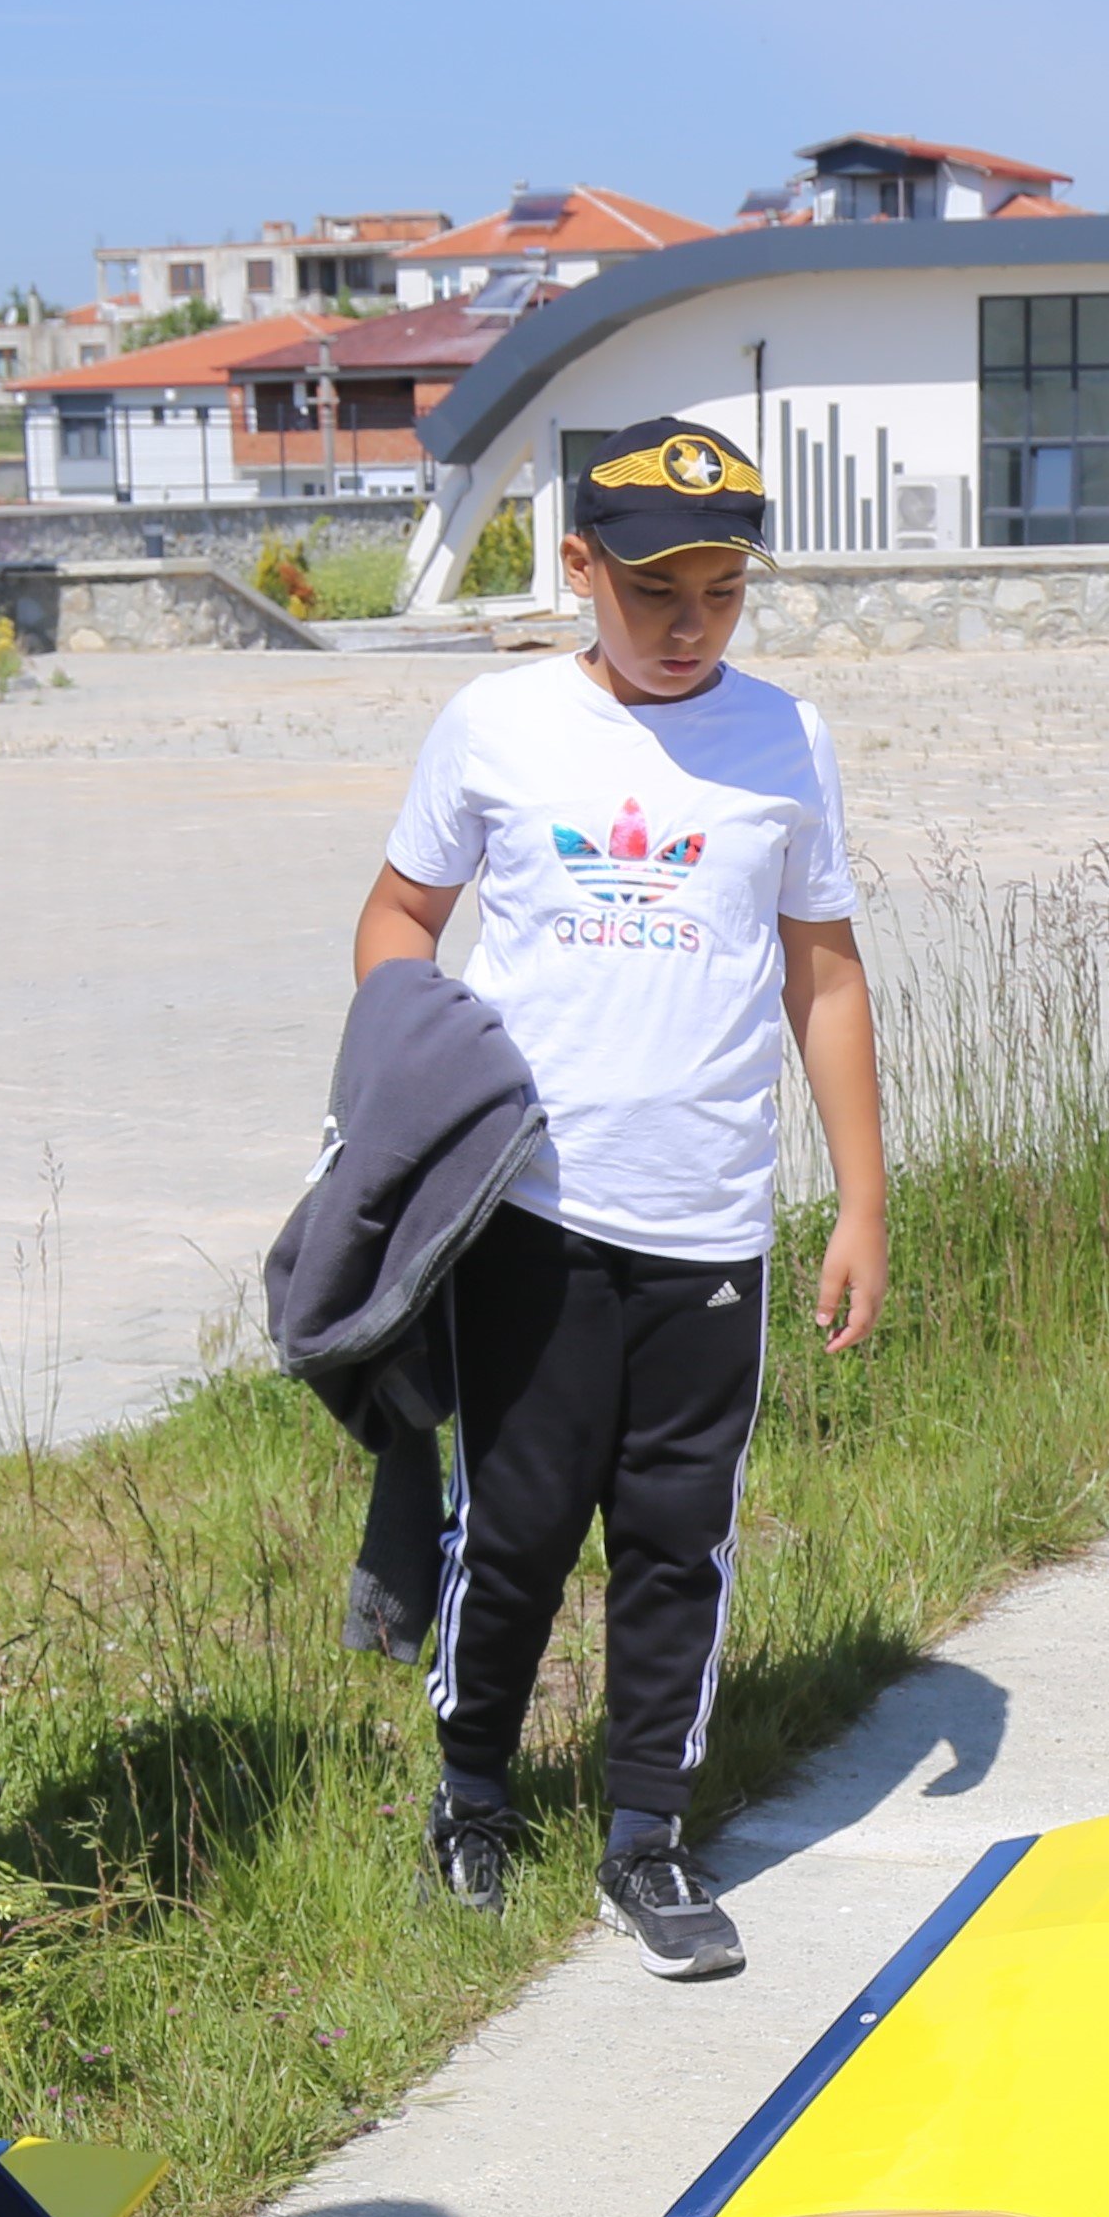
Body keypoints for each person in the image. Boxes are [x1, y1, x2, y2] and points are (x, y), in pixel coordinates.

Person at [349, 417, 889, 1981]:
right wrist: (411, 1084)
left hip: (712, 1222)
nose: (688, 623)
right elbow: (397, 919)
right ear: (576, 566)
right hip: (529, 1213)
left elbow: (825, 975)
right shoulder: (496, 725)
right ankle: (471, 1796)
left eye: (722, 591)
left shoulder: (786, 741)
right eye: (655, 588)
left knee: (676, 1541)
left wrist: (860, 1200)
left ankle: (648, 1833)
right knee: (512, 1527)